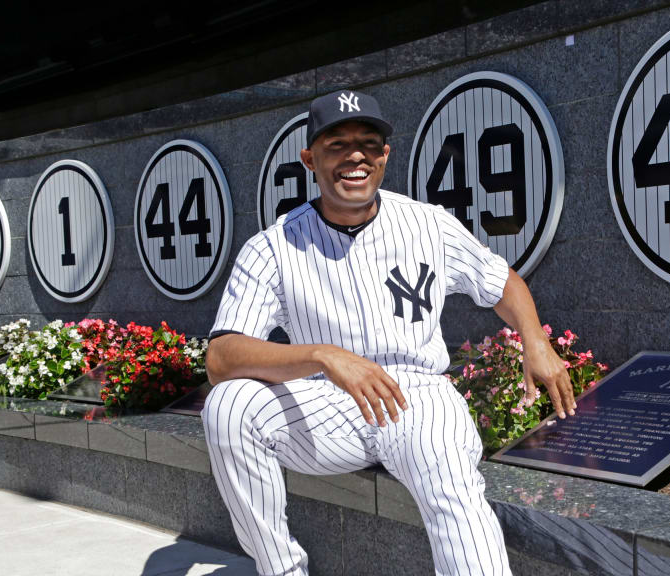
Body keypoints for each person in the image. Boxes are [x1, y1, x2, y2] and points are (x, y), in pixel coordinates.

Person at [202, 89, 575, 576]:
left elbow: (501, 281)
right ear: (309, 159)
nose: (355, 155)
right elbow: (221, 357)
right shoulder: (272, 246)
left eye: (368, 143)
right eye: (337, 145)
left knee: (450, 480)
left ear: (385, 155)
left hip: (415, 395)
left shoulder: (428, 224)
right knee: (228, 407)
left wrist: (536, 341)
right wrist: (323, 356)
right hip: (325, 404)